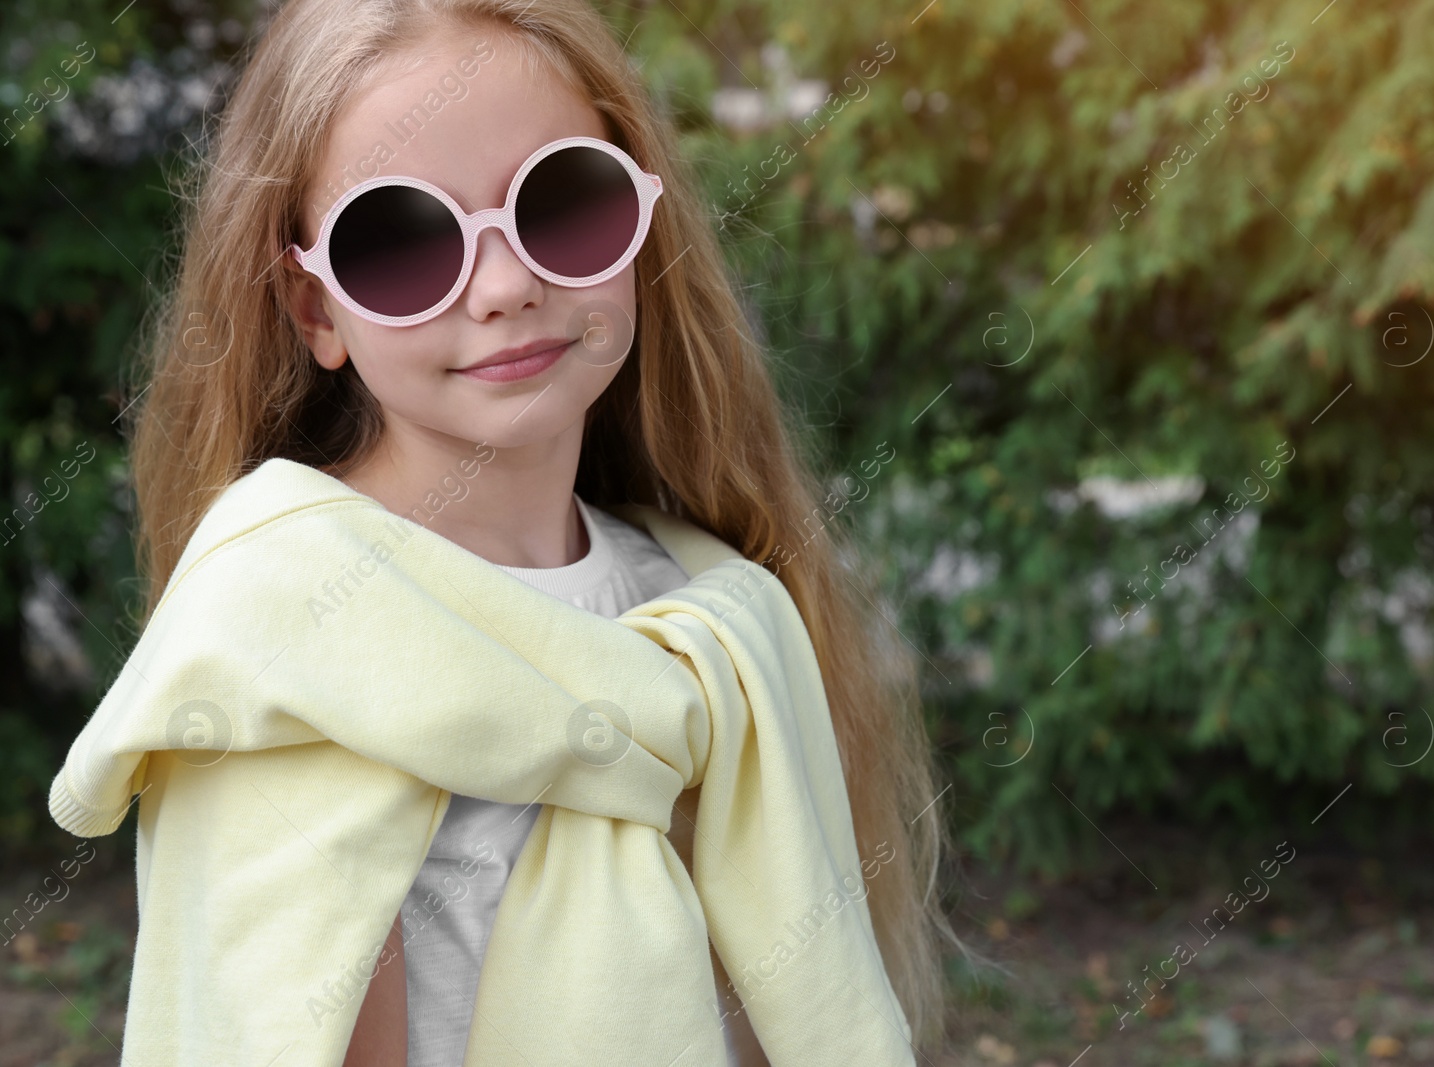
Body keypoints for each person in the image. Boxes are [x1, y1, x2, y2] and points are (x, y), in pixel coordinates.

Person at [112, 0, 957, 1062]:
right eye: (403, 240)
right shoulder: (280, 641)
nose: (507, 286)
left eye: (561, 202)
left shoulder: (721, 630)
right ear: (314, 308)